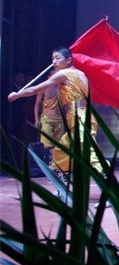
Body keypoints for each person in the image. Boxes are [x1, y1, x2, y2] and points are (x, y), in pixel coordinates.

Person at [8, 47, 105, 192]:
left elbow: (36, 89)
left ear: (69, 60)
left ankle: (111, 193)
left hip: (80, 118)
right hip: (79, 117)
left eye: (57, 58)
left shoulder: (64, 74)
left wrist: (17, 95)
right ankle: (62, 190)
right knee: (61, 152)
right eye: (52, 58)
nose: (54, 62)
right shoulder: (80, 74)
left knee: (90, 155)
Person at [34, 72, 63, 162]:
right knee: (47, 143)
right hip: (47, 118)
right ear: (49, 77)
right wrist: (36, 119)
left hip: (60, 119)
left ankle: (56, 164)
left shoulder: (62, 88)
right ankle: (47, 163)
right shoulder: (43, 88)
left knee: (59, 143)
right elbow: (37, 105)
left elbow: (66, 105)